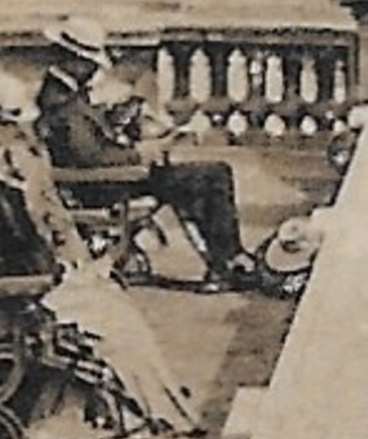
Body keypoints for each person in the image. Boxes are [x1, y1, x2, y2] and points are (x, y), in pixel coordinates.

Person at [0, 68, 200, 439]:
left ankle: (153, 395)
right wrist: (52, 274)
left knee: (110, 309)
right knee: (108, 315)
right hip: (7, 301)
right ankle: (151, 398)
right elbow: (1, 257)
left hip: (17, 289)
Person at [34, 20, 257, 293]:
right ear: (71, 60)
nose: (93, 70)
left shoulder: (64, 93)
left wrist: (116, 119)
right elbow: (90, 157)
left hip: (109, 177)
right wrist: (141, 153)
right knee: (211, 175)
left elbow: (87, 138)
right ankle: (226, 261)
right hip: (103, 184)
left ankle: (227, 259)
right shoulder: (62, 102)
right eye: (88, 63)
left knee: (211, 175)